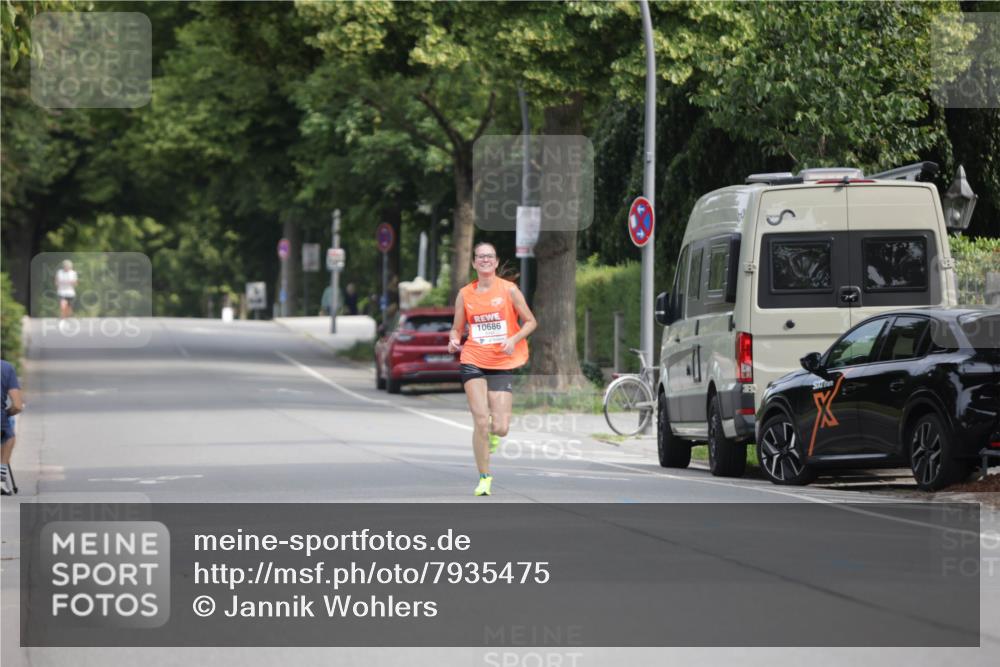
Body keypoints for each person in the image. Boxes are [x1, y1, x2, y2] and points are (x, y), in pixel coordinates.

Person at [448, 242, 536, 496]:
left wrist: (514, 339)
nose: (485, 260)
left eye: (490, 256)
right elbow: (457, 327)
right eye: (480, 257)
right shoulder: (465, 294)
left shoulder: (509, 290)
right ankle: (484, 477)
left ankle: (494, 436)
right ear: (474, 263)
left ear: (496, 262)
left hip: (501, 362)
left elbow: (531, 321)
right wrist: (454, 339)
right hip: (473, 358)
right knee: (480, 420)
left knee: (500, 426)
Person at [1, 359, 23, 496]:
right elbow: (17, 405)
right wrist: (7, 413)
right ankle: (1, 478)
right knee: (8, 437)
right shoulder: (6, 368)